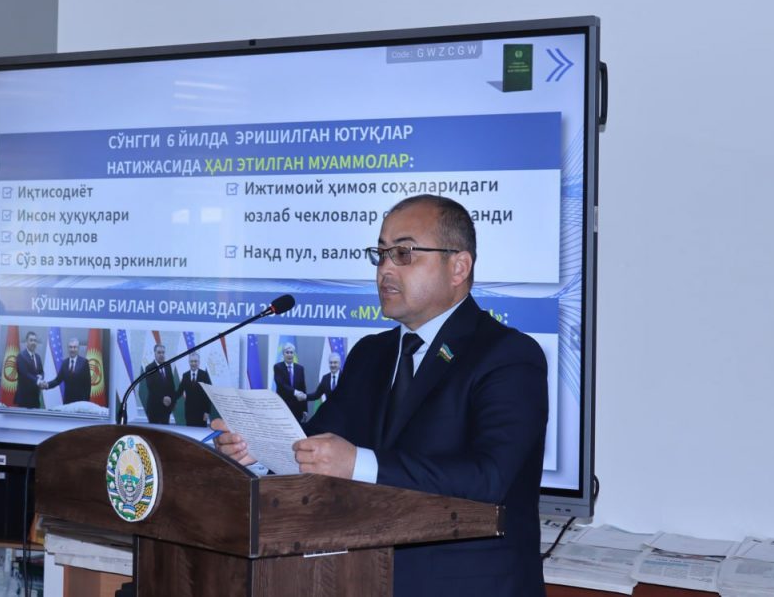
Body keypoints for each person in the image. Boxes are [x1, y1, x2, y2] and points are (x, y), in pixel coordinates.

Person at [215, 194, 548, 596]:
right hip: (364, 578)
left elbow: (488, 478)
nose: (385, 269)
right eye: (381, 254)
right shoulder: (371, 354)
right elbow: (316, 443)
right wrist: (258, 450)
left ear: (458, 267)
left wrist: (357, 462)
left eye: (404, 253)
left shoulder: (507, 355)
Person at [41, 337, 92, 404]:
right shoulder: (64, 363)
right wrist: (47, 385)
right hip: (67, 401)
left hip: (80, 402)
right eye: (70, 347)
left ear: (78, 348)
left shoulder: (84, 362)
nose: (72, 349)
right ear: (68, 348)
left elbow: (88, 385)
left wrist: (86, 402)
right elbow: (57, 380)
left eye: (75, 347)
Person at [174, 351, 212, 426]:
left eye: (195, 361)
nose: (193, 363)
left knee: (200, 432)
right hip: (189, 412)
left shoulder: (204, 375)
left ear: (199, 362)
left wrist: (207, 412)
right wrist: (171, 398)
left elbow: (209, 395)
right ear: (189, 362)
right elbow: (179, 392)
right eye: (191, 361)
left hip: (201, 413)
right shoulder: (185, 375)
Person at [272, 342, 307, 422]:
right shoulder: (278, 367)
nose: (289, 355)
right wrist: (295, 392)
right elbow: (281, 384)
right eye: (287, 352)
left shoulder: (300, 368)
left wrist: (305, 409)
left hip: (297, 408)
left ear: (294, 354)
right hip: (283, 406)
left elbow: (303, 388)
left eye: (291, 352)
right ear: (283, 354)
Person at [143, 343, 176, 424]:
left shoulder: (168, 366)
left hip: (166, 408)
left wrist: (171, 400)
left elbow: (171, 386)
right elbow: (151, 387)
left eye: (163, 352)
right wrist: (163, 398)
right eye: (159, 352)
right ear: (154, 353)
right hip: (154, 408)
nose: (161, 355)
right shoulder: (149, 368)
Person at [13, 330, 45, 408]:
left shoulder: (38, 357)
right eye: (31, 340)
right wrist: (38, 381)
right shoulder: (21, 356)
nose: (33, 342)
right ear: (26, 342)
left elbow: (41, 371)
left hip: (35, 398)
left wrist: (41, 377)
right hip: (24, 399)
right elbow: (25, 374)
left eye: (35, 340)